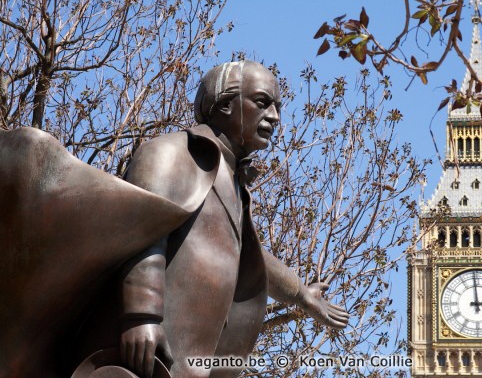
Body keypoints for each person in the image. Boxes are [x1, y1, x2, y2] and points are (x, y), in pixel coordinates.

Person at [76, 61, 349, 378]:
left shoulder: (233, 183)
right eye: (263, 103)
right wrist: (141, 316)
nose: (275, 117)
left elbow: (254, 258)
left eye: (277, 107)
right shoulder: (173, 153)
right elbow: (142, 233)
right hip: (143, 357)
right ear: (225, 105)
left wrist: (302, 295)